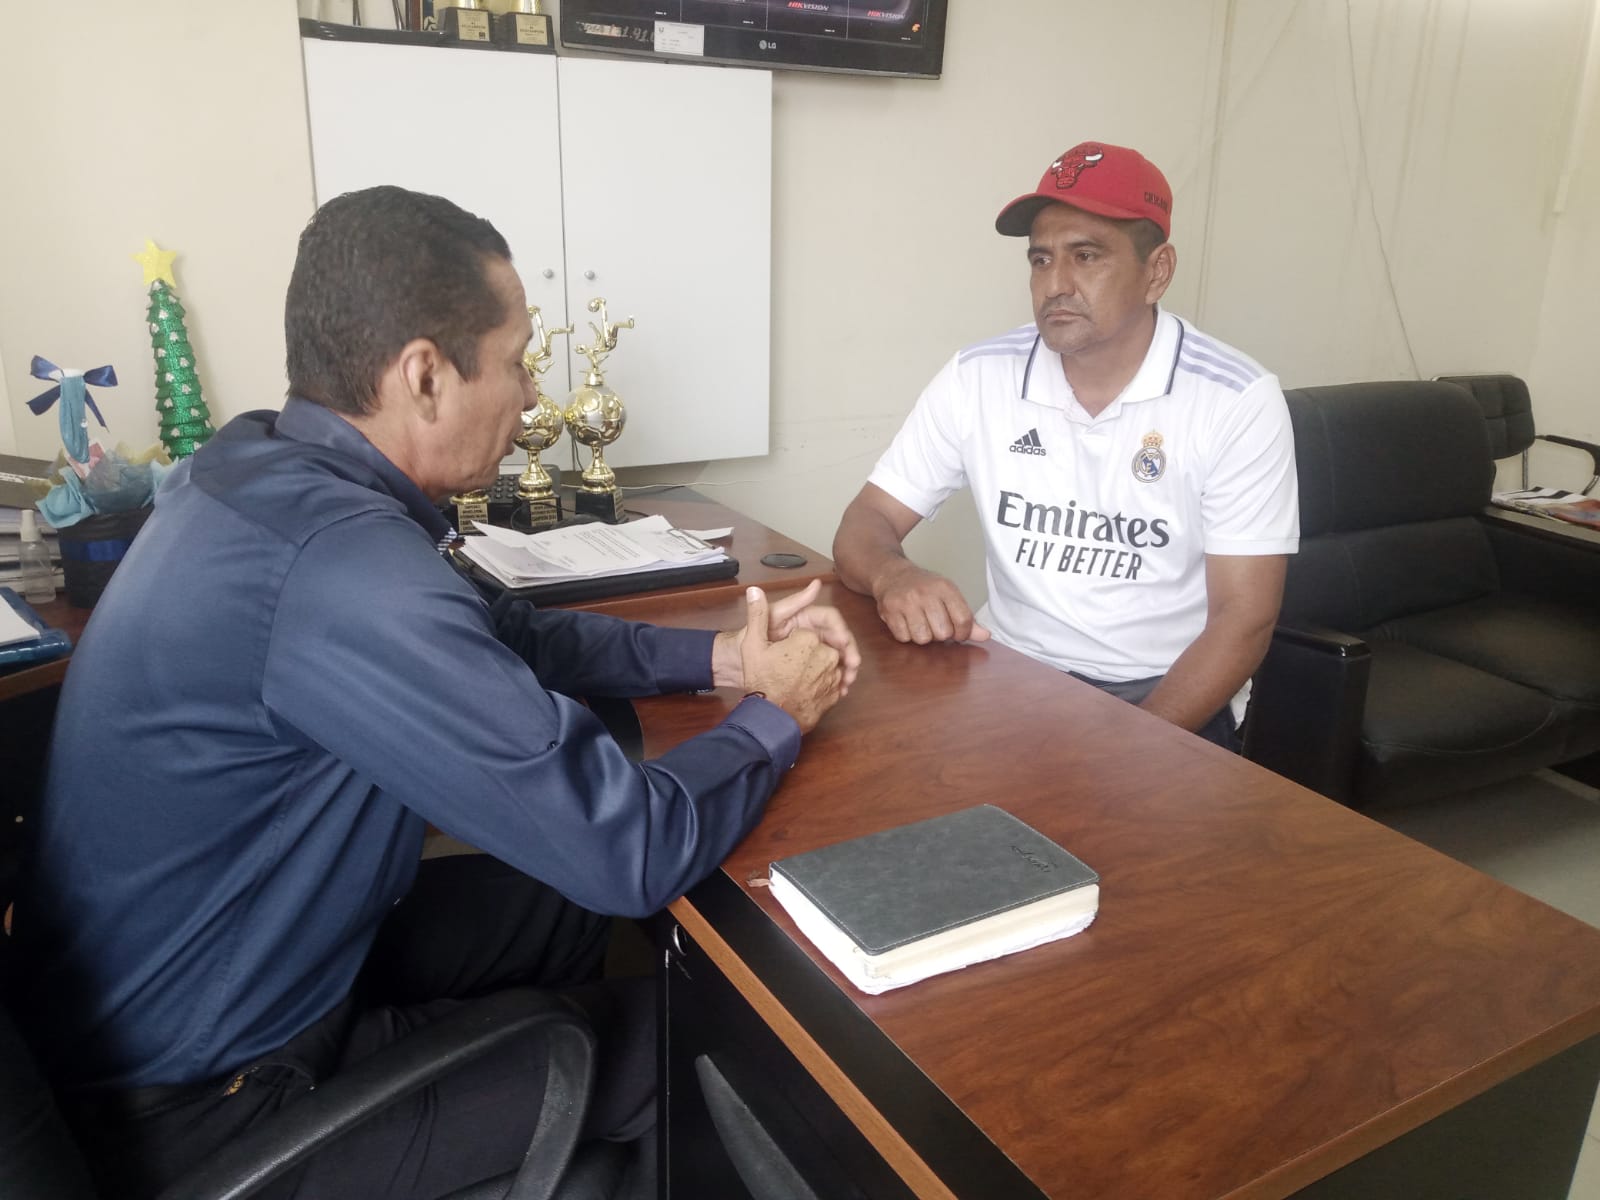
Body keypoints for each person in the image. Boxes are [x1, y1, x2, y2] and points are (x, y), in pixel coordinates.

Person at [13, 185, 859, 1200]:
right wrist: (777, 715)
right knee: (701, 1048)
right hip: (206, 1104)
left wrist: (722, 663)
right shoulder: (343, 568)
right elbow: (630, 849)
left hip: (207, 990)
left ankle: (530, 1131)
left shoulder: (250, 469)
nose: (532, 398)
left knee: (559, 905)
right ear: (424, 375)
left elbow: (504, 629)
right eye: (516, 361)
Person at [833, 141, 1297, 748]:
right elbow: (864, 523)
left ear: (1157, 272)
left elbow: (1245, 619)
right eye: (1041, 259)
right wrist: (893, 574)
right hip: (1008, 671)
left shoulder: (1236, 399)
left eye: (1086, 256)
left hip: (1162, 692)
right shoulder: (979, 376)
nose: (1055, 284)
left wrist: (1132, 750)